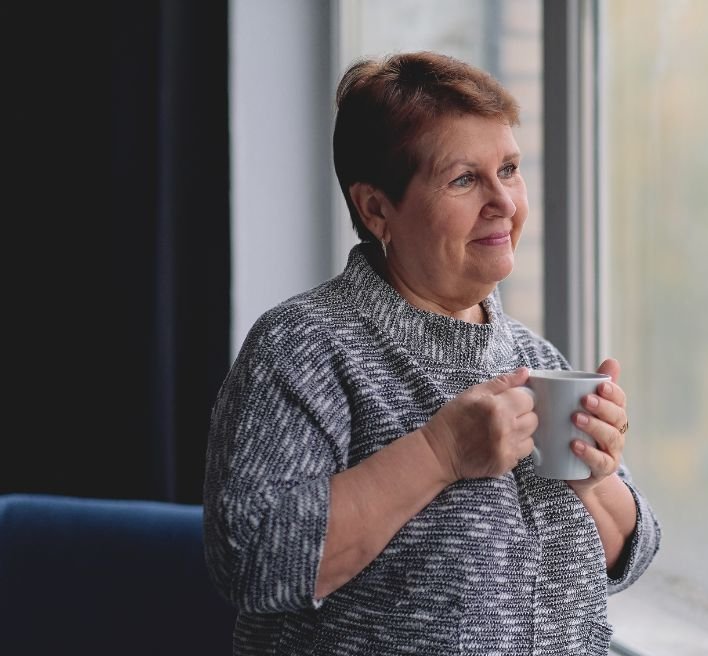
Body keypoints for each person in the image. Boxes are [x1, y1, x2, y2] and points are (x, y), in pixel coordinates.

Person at [204, 51, 660, 656]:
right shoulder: (304, 347)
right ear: (376, 208)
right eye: (464, 179)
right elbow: (253, 560)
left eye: (510, 169)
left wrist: (595, 476)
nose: (505, 202)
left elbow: (630, 554)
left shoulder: (532, 354)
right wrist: (438, 453)